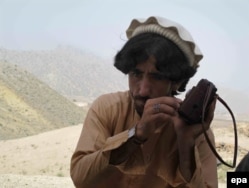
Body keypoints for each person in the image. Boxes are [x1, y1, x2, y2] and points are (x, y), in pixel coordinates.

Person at [70, 16, 218, 188]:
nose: (143, 90)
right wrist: (136, 134)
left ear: (176, 81)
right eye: (136, 74)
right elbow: (80, 178)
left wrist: (186, 145)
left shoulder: (196, 132)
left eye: (157, 77)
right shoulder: (107, 108)